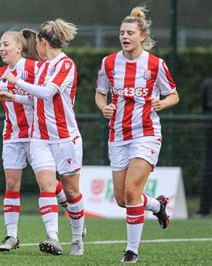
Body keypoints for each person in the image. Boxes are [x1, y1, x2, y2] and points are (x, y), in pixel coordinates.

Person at [0, 29, 68, 253]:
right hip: (12, 136)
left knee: (46, 183)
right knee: (12, 185)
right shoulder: (0, 73)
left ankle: (55, 226)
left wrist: (16, 92)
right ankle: (12, 235)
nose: (1, 48)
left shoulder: (34, 68)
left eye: (6, 44)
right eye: (0, 45)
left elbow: (42, 99)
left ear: (20, 47)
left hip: (37, 135)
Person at [94, 6, 180, 264]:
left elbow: (174, 95)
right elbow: (100, 93)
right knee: (122, 200)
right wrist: (104, 107)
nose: (125, 36)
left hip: (146, 135)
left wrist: (162, 104)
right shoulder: (109, 63)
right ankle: (157, 206)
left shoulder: (155, 65)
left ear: (142, 36)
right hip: (118, 135)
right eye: (122, 33)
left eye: (130, 32)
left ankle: (131, 251)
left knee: (132, 191)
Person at [0, 19, 85, 256]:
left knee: (72, 191)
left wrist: (18, 82)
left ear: (43, 42)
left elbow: (47, 93)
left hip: (65, 137)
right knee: (46, 185)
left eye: (38, 44)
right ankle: (53, 238)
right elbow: (34, 99)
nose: (36, 49)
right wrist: (12, 97)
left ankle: (77, 236)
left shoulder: (65, 65)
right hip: (40, 138)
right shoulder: (43, 67)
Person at [197, 78, 212, 217]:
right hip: (210, 131)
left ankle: (203, 210)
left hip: (208, 128)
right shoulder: (208, 84)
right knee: (209, 171)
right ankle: (204, 209)